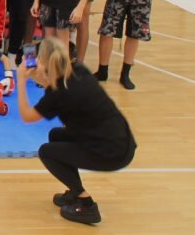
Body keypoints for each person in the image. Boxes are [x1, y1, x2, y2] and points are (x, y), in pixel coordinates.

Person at [16, 37, 136, 225]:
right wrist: (40, 77)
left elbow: (27, 116)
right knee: (56, 136)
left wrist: (22, 80)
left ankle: (86, 204)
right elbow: (56, 90)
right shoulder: (78, 70)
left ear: (44, 62)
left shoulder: (57, 94)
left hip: (112, 153)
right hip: (122, 141)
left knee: (47, 152)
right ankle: (75, 191)